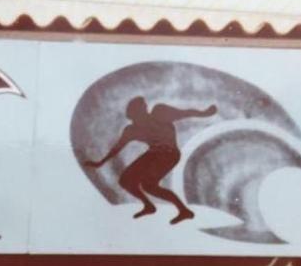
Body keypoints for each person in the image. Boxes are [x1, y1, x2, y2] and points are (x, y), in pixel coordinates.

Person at [84, 96, 217, 224]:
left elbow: (185, 113)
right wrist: (100, 162)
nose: (137, 121)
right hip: (153, 153)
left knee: (149, 185)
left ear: (144, 110)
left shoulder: (159, 113)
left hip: (169, 154)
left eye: (139, 115)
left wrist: (205, 113)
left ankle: (183, 211)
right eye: (134, 118)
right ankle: (149, 206)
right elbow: (117, 148)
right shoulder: (132, 130)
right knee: (125, 180)